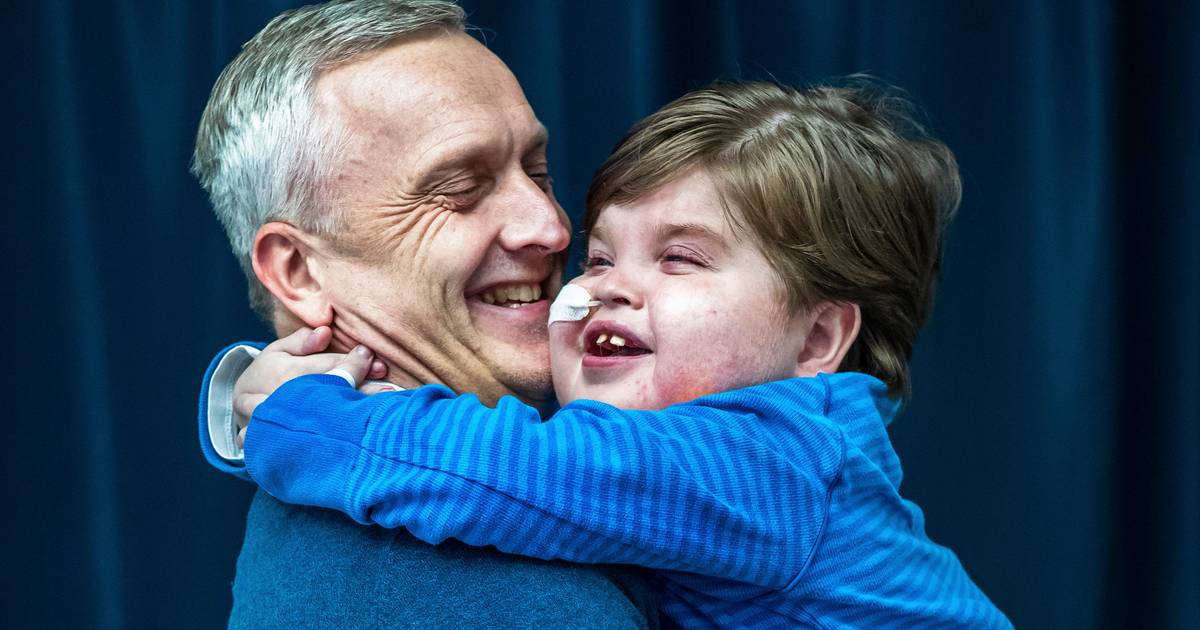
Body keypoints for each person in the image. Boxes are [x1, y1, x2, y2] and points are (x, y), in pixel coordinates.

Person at [212, 81, 1012, 627]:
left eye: (680, 260)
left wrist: (304, 415)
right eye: (600, 258)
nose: (605, 288)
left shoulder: (773, 459)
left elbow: (515, 471)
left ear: (816, 340)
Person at [191, 0, 657, 627]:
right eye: (460, 190)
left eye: (539, 173)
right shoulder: (433, 587)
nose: (551, 228)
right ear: (299, 271)